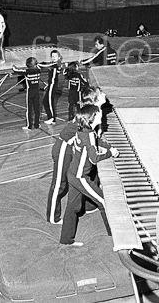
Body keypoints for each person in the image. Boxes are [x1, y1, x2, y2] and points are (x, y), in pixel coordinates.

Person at [59, 105, 120, 246]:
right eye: (99, 114)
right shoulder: (89, 135)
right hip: (81, 177)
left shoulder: (82, 130)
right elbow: (94, 158)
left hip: (72, 173)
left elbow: (96, 141)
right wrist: (110, 153)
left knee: (72, 207)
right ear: (92, 118)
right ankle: (116, 236)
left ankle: (66, 239)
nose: (101, 115)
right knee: (104, 201)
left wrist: (109, 146)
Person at [11, 57, 41, 129]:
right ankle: (37, 125)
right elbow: (38, 66)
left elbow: (16, 70)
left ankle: (29, 126)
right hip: (37, 92)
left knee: (29, 109)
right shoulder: (38, 70)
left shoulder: (27, 71)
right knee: (37, 109)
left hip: (30, 92)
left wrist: (13, 67)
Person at [37, 50, 63, 125]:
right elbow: (46, 65)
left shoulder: (57, 63)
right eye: (52, 56)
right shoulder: (53, 64)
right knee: (45, 101)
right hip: (50, 84)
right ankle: (51, 118)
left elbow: (45, 66)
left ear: (59, 57)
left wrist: (39, 64)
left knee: (49, 101)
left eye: (56, 56)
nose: (54, 58)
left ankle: (51, 118)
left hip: (53, 85)